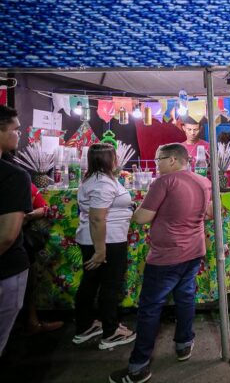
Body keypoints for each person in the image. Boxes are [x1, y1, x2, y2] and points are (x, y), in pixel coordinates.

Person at [109, 143, 212, 383]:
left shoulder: (163, 182)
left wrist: (134, 210)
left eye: (158, 160)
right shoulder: (203, 181)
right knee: (185, 298)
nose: (156, 164)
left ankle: (138, 367)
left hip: (167, 255)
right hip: (194, 251)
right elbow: (208, 213)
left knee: (150, 308)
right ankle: (184, 344)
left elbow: (142, 218)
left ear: (173, 159)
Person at [73, 143, 136, 350]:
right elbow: (97, 218)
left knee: (91, 282)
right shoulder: (102, 183)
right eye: (114, 156)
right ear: (109, 159)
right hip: (107, 241)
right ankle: (111, 332)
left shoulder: (96, 179)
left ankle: (85, 325)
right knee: (110, 285)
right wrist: (101, 251)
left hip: (97, 239)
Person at [0, 105, 31, 356]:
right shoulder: (13, 176)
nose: (19, 134)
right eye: (15, 130)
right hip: (6, 267)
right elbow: (7, 235)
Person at [21, 183, 64, 335]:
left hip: (20, 242)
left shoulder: (19, 180)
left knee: (28, 281)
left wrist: (27, 216)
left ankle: (32, 322)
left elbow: (43, 208)